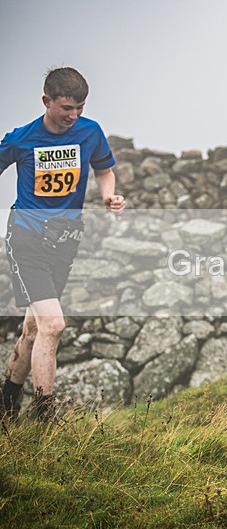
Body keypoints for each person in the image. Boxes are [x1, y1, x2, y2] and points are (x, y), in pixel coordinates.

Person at [0, 67, 125, 422]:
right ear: (47, 101)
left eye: (80, 108)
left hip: (65, 242)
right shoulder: (22, 138)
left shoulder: (90, 132)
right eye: (67, 108)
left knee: (34, 328)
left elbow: (104, 169)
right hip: (27, 240)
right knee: (54, 325)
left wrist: (109, 196)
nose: (74, 116)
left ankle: (8, 398)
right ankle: (45, 416)